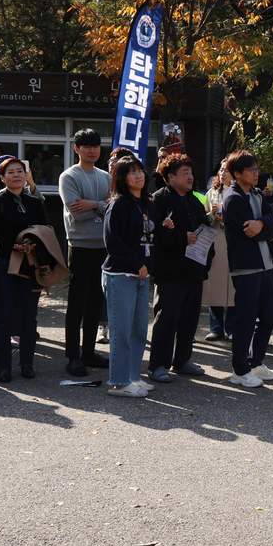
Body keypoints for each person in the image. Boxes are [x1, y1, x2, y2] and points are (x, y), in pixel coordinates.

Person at [147, 153, 211, 383]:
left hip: (195, 267)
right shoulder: (159, 199)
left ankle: (182, 360)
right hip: (170, 270)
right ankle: (158, 365)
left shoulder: (194, 199)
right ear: (170, 177)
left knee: (190, 318)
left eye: (191, 172)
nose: (190, 177)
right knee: (167, 318)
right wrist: (182, 236)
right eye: (185, 173)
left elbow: (204, 228)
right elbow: (155, 234)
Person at [0, 155, 49, 382]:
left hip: (31, 263)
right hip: (5, 262)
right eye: (10, 172)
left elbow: (45, 228)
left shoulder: (34, 202)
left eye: (20, 171)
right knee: (3, 316)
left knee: (29, 316)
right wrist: (13, 245)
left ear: (26, 175)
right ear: (2, 178)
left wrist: (33, 244)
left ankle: (27, 363)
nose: (16, 175)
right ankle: (3, 366)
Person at [222, 150, 273, 388]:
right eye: (251, 170)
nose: (257, 174)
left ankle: (255, 363)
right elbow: (250, 232)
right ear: (237, 174)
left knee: (269, 315)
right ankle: (240, 369)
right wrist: (263, 227)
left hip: (265, 264)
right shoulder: (233, 198)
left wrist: (263, 224)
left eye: (257, 169)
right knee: (245, 319)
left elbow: (272, 217)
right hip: (246, 266)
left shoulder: (256, 193)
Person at [59, 129, 111, 377]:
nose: (92, 150)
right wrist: (102, 207)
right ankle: (73, 356)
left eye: (96, 146)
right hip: (79, 246)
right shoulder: (69, 176)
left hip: (103, 247)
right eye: (87, 146)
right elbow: (76, 213)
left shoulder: (106, 176)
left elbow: (115, 205)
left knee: (95, 304)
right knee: (76, 304)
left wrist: (94, 205)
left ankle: (89, 352)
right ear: (76, 149)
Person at [103, 155, 156, 398]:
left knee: (138, 332)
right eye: (131, 172)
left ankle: (133, 376)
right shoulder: (118, 204)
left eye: (140, 171)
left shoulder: (145, 203)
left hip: (141, 276)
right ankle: (118, 382)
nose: (138, 176)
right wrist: (137, 263)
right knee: (121, 332)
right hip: (121, 275)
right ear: (121, 179)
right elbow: (113, 243)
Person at [202, 157, 235, 341]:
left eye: (226, 170)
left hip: (233, 241)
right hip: (215, 241)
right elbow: (204, 217)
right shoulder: (212, 192)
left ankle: (231, 327)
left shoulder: (240, 192)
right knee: (214, 284)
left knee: (232, 285)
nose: (222, 173)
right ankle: (215, 327)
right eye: (220, 170)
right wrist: (212, 215)